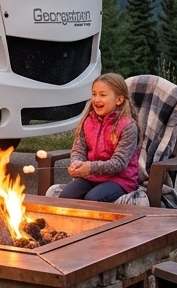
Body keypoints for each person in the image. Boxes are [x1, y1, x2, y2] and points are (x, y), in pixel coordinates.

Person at [59, 72, 140, 202]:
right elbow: (78, 149)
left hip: (119, 180)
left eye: (103, 95)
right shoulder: (87, 121)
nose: (96, 99)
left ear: (119, 100)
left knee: (92, 198)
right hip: (91, 177)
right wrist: (77, 164)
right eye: (94, 94)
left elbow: (119, 163)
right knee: (66, 197)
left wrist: (90, 167)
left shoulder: (128, 126)